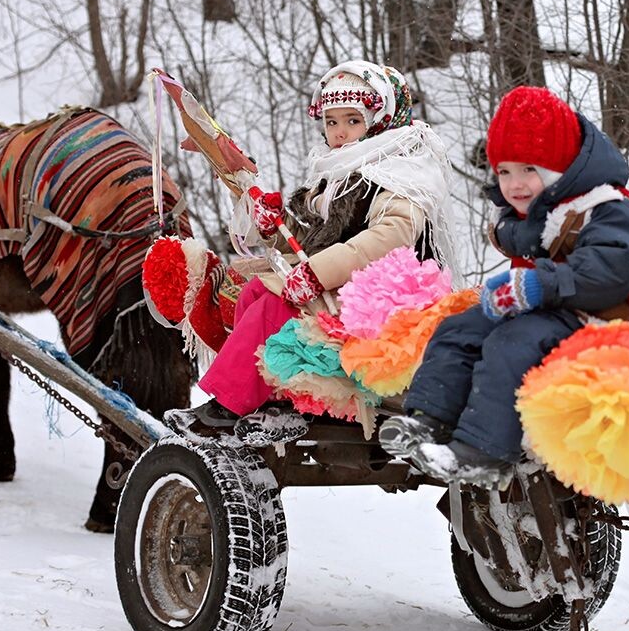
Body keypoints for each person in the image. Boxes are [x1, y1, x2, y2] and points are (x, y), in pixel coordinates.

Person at [378, 86, 629, 487]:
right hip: (551, 306)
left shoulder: (608, 209)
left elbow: (606, 273)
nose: (515, 184)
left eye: (529, 169)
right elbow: (526, 240)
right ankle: (427, 421)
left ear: (560, 168)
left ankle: (484, 451)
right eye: (504, 171)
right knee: (460, 328)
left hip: (600, 315)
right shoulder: (540, 207)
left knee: (511, 343)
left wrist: (534, 284)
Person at [165, 61, 455, 444]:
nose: (340, 133)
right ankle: (266, 398)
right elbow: (307, 243)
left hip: (384, 298)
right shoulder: (336, 175)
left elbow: (393, 234)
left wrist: (317, 273)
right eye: (331, 122)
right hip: (341, 283)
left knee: (272, 303)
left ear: (380, 118)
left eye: (353, 120)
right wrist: (274, 227)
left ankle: (227, 404)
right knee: (255, 293)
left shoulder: (401, 171)